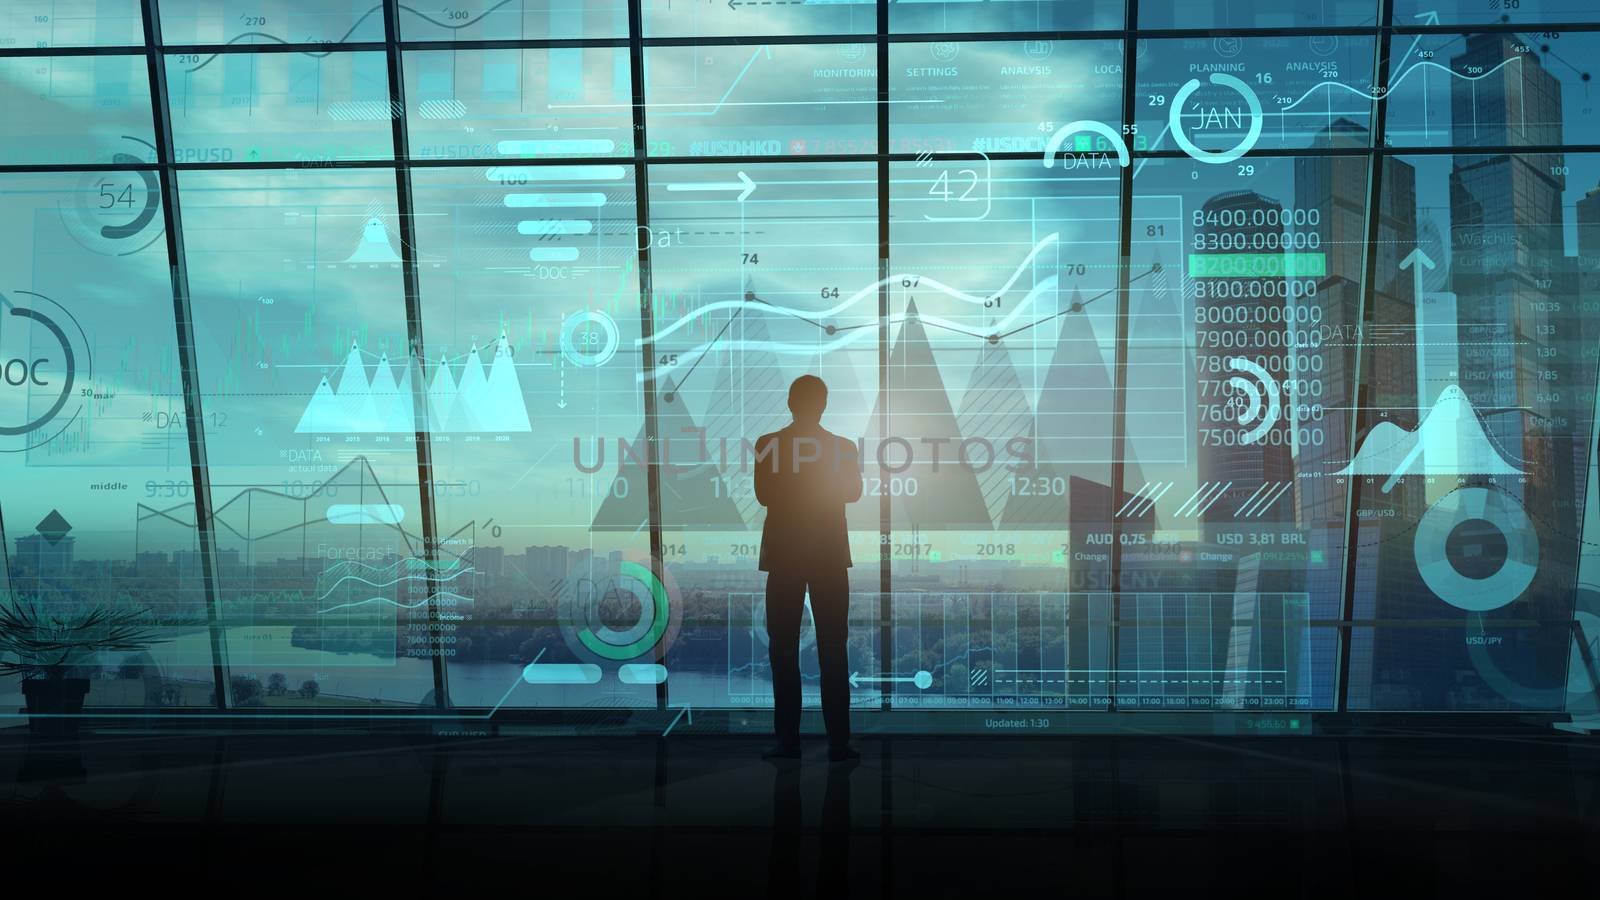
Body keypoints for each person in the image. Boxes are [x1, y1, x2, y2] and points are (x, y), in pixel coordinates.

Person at [754, 375, 862, 762]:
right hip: (829, 555)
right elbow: (852, 492)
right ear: (823, 405)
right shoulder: (843, 448)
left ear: (789, 403)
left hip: (784, 555)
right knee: (833, 647)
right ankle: (838, 743)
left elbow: (765, 494)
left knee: (782, 649)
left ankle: (788, 743)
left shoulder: (769, 445)